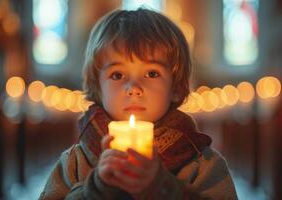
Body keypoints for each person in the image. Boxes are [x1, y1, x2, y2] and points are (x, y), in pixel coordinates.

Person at [39, 8, 238, 200]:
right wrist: (98, 188)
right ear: (98, 87)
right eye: (117, 75)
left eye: (152, 73)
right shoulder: (76, 161)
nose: (134, 88)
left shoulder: (201, 163)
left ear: (176, 87)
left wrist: (160, 186)